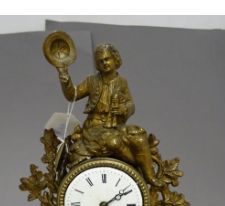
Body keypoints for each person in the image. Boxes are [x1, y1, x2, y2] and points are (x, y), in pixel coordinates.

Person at [56, 43, 162, 187]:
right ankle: (137, 168)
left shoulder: (122, 82)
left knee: (139, 137)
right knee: (114, 142)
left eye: (107, 59)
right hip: (95, 127)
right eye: (101, 61)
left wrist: (124, 109)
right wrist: (65, 79)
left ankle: (149, 176)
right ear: (97, 64)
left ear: (115, 60)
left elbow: (131, 105)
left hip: (116, 125)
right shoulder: (91, 81)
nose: (105, 63)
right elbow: (72, 95)